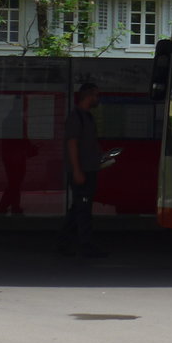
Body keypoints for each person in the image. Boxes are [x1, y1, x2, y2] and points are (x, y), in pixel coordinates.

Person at [56, 83, 107, 258]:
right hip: (82, 171)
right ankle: (85, 244)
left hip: (89, 169)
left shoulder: (88, 117)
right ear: (88, 96)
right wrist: (77, 170)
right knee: (83, 207)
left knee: (79, 206)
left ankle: (63, 242)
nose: (97, 99)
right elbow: (72, 143)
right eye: (96, 95)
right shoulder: (76, 117)